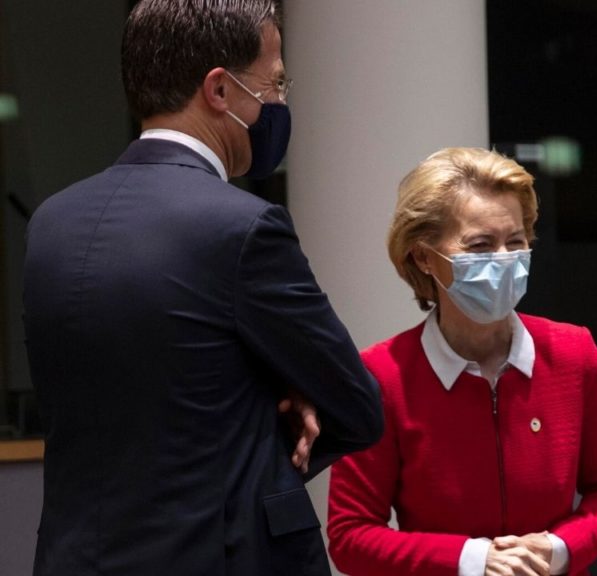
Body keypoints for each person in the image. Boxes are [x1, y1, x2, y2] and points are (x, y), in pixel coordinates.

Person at [22, 1, 383, 575]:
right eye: (275, 83)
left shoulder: (51, 224)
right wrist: (279, 407)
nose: (279, 103)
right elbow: (357, 406)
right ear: (219, 89)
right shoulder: (242, 227)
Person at [326, 147, 597, 576]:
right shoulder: (382, 375)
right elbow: (351, 535)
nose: (504, 258)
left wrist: (558, 549)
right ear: (423, 257)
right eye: (480, 245)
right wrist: (472, 560)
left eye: (516, 242)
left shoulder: (573, 351)